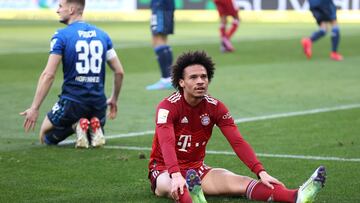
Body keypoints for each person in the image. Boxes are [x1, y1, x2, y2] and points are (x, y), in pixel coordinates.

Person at [148, 50, 326, 203]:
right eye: (193, 77)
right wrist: (176, 174)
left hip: (197, 169)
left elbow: (237, 141)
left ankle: (297, 196)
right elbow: (167, 142)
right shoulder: (168, 107)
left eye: (204, 76)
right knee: (176, 187)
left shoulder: (215, 107)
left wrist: (260, 171)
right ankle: (192, 196)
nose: (200, 81)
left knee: (241, 182)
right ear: (181, 82)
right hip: (164, 170)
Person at [20, 0, 124, 148]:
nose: (57, 10)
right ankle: (92, 127)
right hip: (98, 104)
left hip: (72, 102)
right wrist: (113, 98)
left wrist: (34, 108)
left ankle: (75, 125)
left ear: (71, 9)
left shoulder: (61, 36)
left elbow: (48, 75)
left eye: (60, 6)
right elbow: (119, 71)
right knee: (92, 127)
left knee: (45, 136)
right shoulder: (103, 36)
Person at [146, 0, 175, 90]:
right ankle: (170, 78)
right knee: (162, 38)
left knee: (157, 40)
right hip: (165, 5)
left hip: (160, 5)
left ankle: (166, 79)